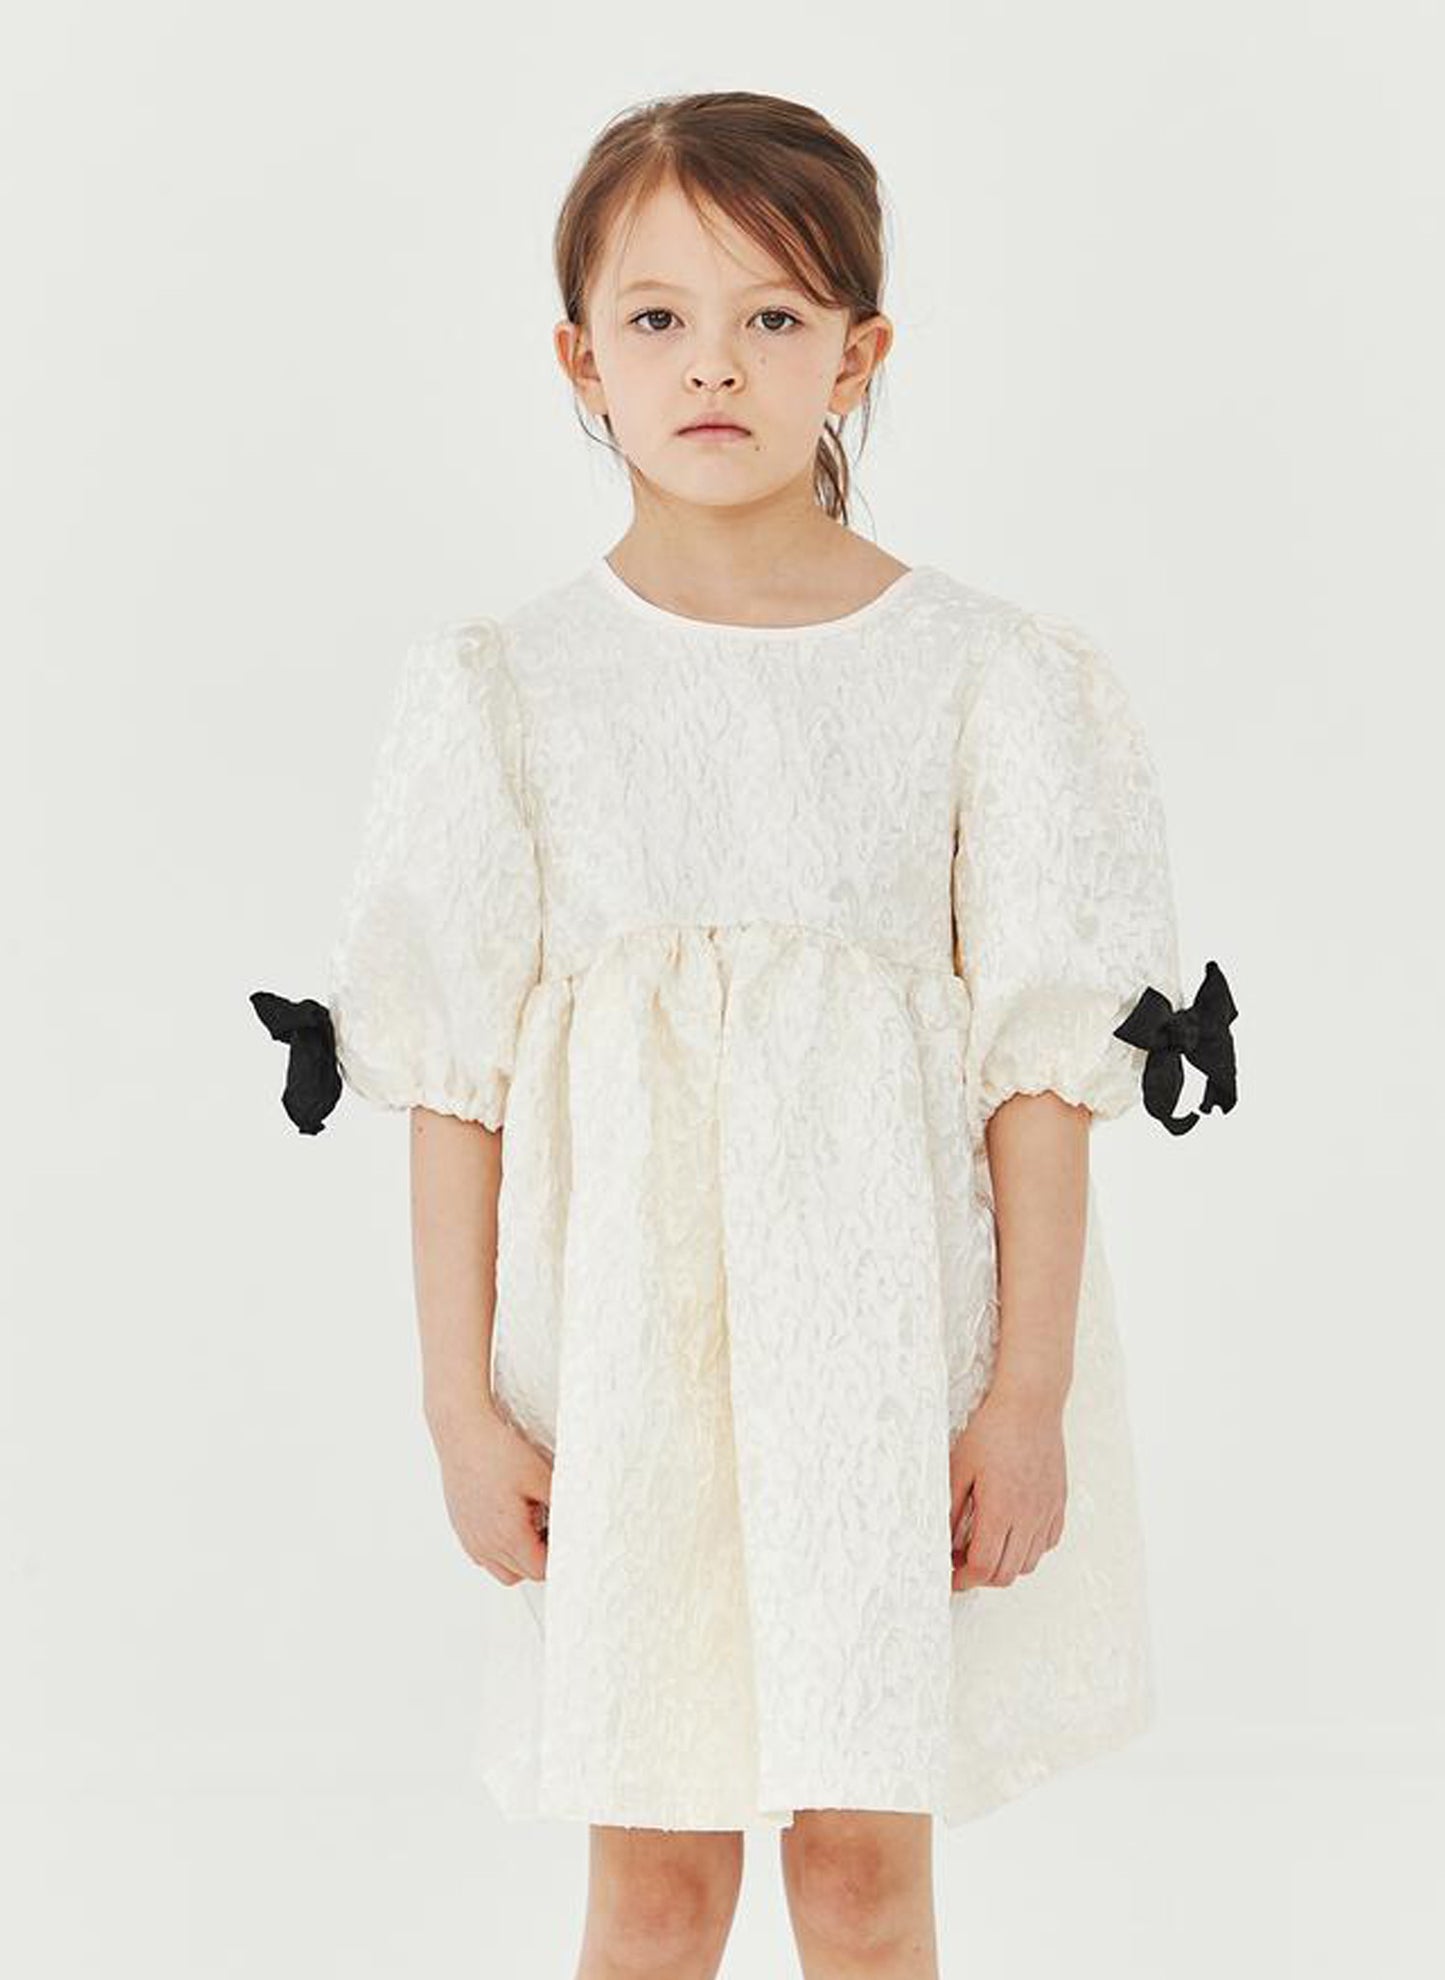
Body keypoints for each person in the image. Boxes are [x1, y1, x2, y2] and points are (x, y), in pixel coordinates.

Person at [250, 90, 1237, 1980]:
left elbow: (1040, 1070)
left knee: (862, 1875)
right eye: (658, 318)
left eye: (774, 317)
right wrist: (457, 1403)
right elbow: (451, 1079)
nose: (714, 364)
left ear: (857, 354)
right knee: (654, 1885)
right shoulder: (507, 688)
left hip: (886, 1366)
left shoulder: (983, 675)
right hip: (619, 1375)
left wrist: (1022, 1398)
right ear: (580, 360)